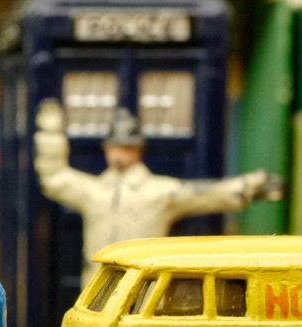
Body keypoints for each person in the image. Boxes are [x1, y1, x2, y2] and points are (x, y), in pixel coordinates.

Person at [34, 99, 283, 285]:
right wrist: (50, 134)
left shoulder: (158, 192)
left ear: (138, 150)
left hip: (144, 282)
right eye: (114, 146)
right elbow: (55, 178)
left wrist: (248, 187)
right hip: (96, 282)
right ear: (106, 149)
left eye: (126, 147)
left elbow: (204, 193)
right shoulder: (92, 191)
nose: (119, 153)